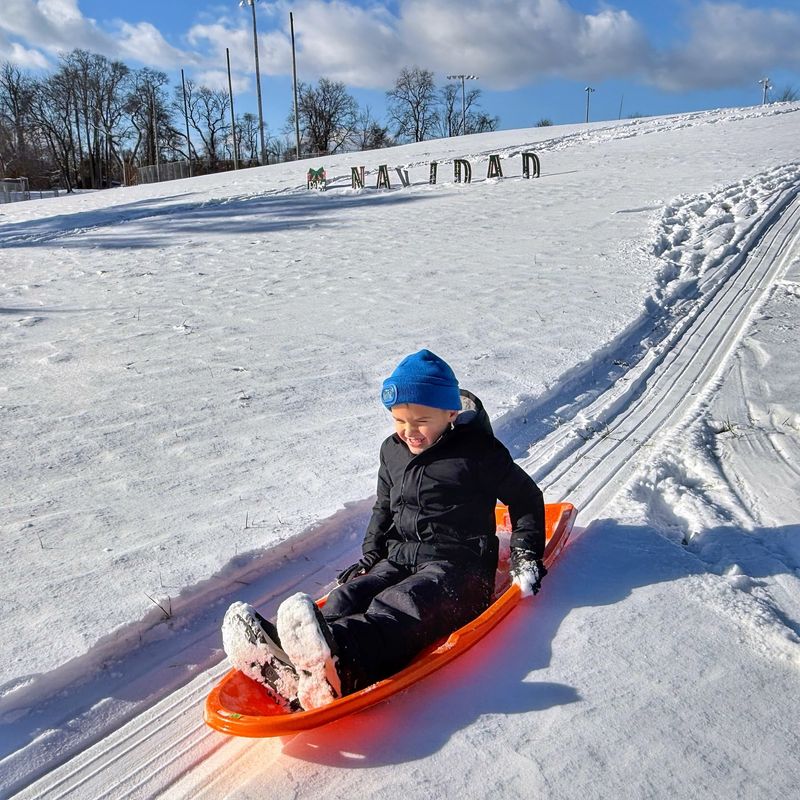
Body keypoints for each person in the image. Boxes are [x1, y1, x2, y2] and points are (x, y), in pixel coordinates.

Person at [222, 349, 547, 711]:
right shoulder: (392, 451)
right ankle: (290, 656)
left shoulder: (478, 453)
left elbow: (527, 499)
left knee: (400, 604)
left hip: (459, 569)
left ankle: (343, 664)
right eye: (399, 420)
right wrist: (372, 554)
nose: (410, 432)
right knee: (348, 597)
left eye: (421, 420)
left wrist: (526, 553)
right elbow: (385, 507)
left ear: (450, 413)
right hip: (401, 556)